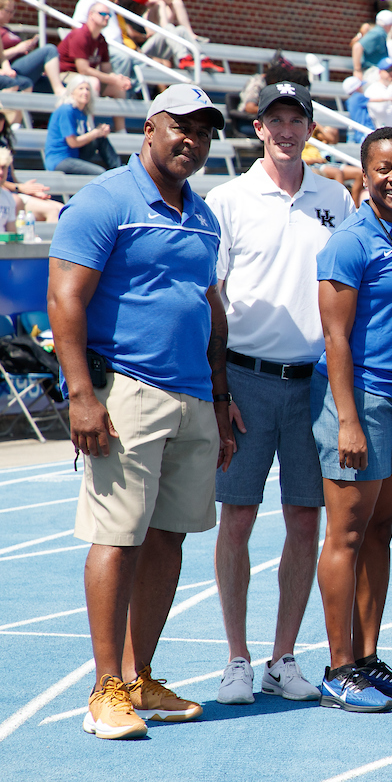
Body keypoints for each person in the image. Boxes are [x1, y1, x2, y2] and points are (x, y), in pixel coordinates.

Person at [45, 83, 233, 740]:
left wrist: (221, 395)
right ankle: (104, 690)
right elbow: (64, 299)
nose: (193, 140)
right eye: (182, 126)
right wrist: (82, 396)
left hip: (193, 397)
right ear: (149, 127)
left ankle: (140, 673)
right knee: (118, 538)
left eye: (205, 132)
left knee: (168, 537)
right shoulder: (104, 201)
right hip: (125, 393)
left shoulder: (204, 215)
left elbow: (209, 310)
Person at [205, 82, 355, 706]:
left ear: (310, 128)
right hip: (244, 379)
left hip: (311, 383)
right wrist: (219, 388)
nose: (287, 129)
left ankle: (282, 657)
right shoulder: (228, 199)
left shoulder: (336, 197)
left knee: (304, 519)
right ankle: (237, 658)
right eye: (277, 119)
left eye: (298, 119)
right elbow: (211, 296)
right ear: (259, 126)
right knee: (236, 517)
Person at [309, 126, 392, 713]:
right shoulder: (349, 242)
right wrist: (347, 421)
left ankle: (368, 654)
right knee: (347, 535)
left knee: (380, 533)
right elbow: (335, 340)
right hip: (358, 403)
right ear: (363, 174)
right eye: (383, 167)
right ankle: (337, 667)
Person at [58, 1, 132, 131]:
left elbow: (106, 69)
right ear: (91, 15)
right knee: (92, 82)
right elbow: (83, 69)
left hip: (83, 77)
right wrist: (112, 79)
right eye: (103, 13)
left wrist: (117, 79)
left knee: (117, 88)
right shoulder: (80, 35)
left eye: (109, 14)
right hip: (66, 75)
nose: (107, 17)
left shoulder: (101, 39)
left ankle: (121, 131)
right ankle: (88, 127)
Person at [44, 78, 119, 174]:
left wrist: (100, 132)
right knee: (100, 172)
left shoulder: (82, 112)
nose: (85, 92)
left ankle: (117, 169)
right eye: (81, 89)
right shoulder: (66, 110)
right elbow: (72, 142)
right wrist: (94, 134)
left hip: (75, 155)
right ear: (72, 92)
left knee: (100, 137)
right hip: (60, 159)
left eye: (87, 89)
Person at [0, 0, 64, 93]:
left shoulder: (7, 29)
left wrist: (27, 49)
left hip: (18, 68)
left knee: (55, 86)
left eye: (13, 12)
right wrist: (17, 49)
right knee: (49, 50)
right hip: (12, 70)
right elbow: (1, 56)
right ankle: (59, 90)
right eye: (8, 11)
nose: (11, 15)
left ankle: (60, 90)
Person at [352, 9, 392, 78]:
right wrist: (357, 70)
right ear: (390, 25)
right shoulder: (378, 33)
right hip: (372, 72)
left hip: (378, 71)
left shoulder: (380, 33)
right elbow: (357, 46)